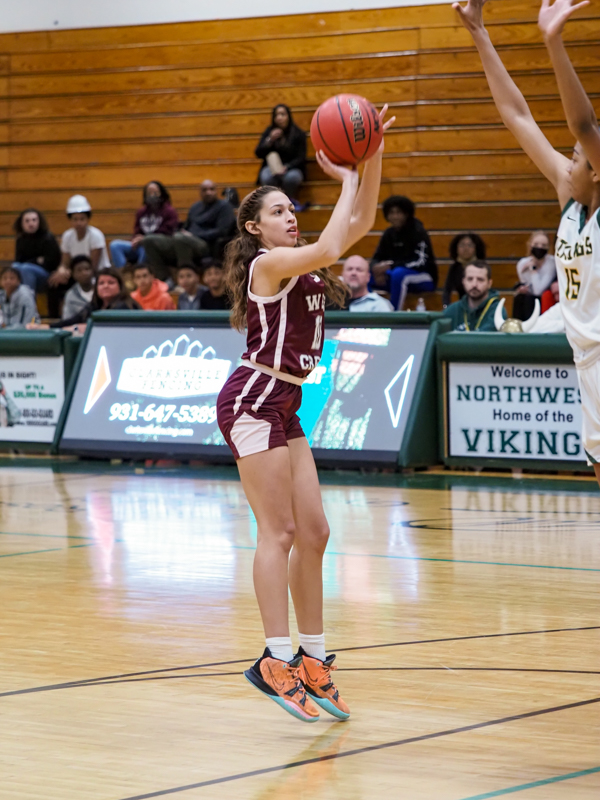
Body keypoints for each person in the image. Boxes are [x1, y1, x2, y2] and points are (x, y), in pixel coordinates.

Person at [217, 106, 392, 722]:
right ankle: (272, 658)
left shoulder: (301, 259)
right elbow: (335, 242)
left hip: (284, 403)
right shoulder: (267, 265)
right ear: (254, 228)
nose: (290, 216)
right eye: (278, 212)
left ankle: (313, 658)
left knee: (315, 531)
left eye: (293, 209)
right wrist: (348, 176)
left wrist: (370, 158)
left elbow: (359, 224)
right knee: (280, 532)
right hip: (252, 399)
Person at [454, 0, 600, 483]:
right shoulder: (571, 199)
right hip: (584, 360)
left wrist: (552, 41)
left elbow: (584, 125)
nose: (567, 161)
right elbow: (517, 115)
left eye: (576, 157)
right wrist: (479, 33)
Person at [370, 195, 437, 309]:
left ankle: (394, 314)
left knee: (398, 274)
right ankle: (368, 310)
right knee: (363, 277)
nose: (395, 216)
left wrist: (391, 266)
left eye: (399, 212)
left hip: (423, 277)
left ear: (406, 214)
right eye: (391, 213)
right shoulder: (388, 234)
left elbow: (420, 262)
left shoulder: (418, 231)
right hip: (396, 278)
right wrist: (376, 269)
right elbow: (377, 257)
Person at [41, 267, 140, 329]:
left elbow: (104, 327)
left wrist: (77, 328)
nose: (105, 286)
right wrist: (46, 327)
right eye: (101, 283)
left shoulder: (125, 306)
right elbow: (72, 321)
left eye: (111, 283)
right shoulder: (94, 306)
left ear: (120, 287)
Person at [109, 181, 178, 269]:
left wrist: (145, 239)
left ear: (162, 194)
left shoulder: (170, 211)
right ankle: (122, 272)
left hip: (156, 246)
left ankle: (139, 272)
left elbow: (167, 231)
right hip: (140, 245)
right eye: (149, 193)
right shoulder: (141, 212)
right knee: (115, 245)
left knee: (148, 246)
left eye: (155, 192)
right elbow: (137, 230)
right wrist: (135, 239)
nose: (152, 195)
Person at [255, 105, 307, 210]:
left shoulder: (298, 133)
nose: (279, 118)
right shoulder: (269, 132)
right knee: (266, 177)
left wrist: (287, 167)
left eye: (282, 114)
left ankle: (289, 200)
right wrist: (270, 140)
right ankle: (273, 203)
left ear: (288, 116)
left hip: (292, 167)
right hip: (271, 167)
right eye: (276, 115)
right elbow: (258, 153)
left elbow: (301, 158)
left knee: (291, 178)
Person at [12, 209, 62, 310]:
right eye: (27, 221)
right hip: (25, 273)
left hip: (47, 276)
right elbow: (18, 261)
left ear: (39, 222)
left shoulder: (48, 238)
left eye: (34, 220)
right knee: (15, 267)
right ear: (21, 224)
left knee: (25, 269)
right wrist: (37, 260)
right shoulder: (20, 240)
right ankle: (13, 307)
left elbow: (51, 262)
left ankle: (29, 307)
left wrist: (30, 263)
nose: (31, 224)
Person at [443, 261, 505, 331]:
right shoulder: (452, 310)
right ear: (463, 281)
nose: (474, 284)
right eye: (470, 279)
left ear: (489, 283)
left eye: (480, 280)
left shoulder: (498, 311)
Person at [182, 180, 237, 260]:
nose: (208, 192)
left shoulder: (224, 207)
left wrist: (194, 235)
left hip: (207, 243)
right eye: (204, 190)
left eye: (211, 189)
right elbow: (187, 226)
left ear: (216, 191)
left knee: (180, 239)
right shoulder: (195, 207)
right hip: (189, 238)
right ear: (200, 192)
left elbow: (222, 231)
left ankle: (186, 266)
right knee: (173, 238)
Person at [513, 230, 557, 320]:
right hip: (528, 300)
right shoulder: (522, 263)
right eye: (536, 244)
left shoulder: (552, 263)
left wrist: (533, 270)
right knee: (520, 298)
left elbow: (538, 291)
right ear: (530, 245)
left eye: (544, 245)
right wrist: (522, 288)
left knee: (532, 299)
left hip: (544, 299)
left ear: (548, 247)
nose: (539, 247)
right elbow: (528, 287)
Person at [442, 232, 487, 307]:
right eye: (462, 245)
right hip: (462, 306)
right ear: (456, 249)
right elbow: (447, 290)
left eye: (470, 245)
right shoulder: (455, 268)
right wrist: (446, 306)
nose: (466, 248)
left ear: (476, 248)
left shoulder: (482, 267)